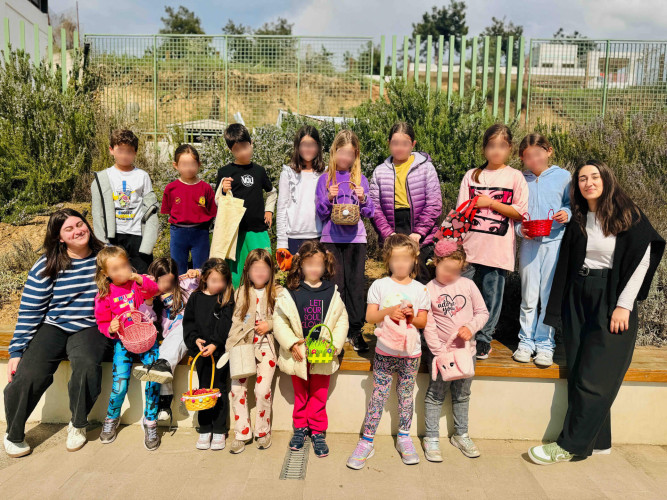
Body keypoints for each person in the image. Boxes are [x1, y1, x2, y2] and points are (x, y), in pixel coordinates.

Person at [528, 160, 665, 465]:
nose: (588, 183)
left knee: (597, 377)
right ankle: (597, 442)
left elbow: (642, 261)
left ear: (606, 179)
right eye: (582, 179)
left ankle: (569, 445)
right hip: (578, 295)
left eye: (594, 177)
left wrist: (623, 306)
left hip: (610, 297)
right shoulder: (579, 217)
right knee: (579, 371)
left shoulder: (627, 215)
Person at [4, 209, 107, 457]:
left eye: (80, 224)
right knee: (29, 373)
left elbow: (127, 282)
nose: (78, 231)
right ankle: (13, 434)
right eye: (69, 229)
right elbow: (31, 309)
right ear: (60, 237)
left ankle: (78, 424)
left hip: (91, 325)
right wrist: (17, 350)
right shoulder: (48, 263)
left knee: (86, 365)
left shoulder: (105, 256)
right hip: (55, 325)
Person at [346, 234, 430, 470]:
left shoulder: (420, 289)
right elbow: (370, 317)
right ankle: (367, 441)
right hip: (384, 352)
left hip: (411, 354)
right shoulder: (379, 285)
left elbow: (423, 322)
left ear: (414, 260)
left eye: (406, 259)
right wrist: (389, 311)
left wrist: (411, 317)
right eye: (395, 259)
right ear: (388, 261)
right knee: (378, 396)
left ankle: (404, 437)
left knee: (406, 395)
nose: (401, 264)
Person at [457, 124, 528, 359]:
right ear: (483, 148)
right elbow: (460, 212)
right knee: (463, 294)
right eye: (491, 145)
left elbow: (520, 212)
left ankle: (484, 339)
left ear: (510, 148)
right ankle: (462, 333)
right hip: (469, 248)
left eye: (502, 146)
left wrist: (491, 203)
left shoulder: (515, 176)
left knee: (491, 296)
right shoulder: (472, 175)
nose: (496, 151)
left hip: (497, 250)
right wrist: (456, 243)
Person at [273, 240, 348, 458]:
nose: (314, 268)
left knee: (319, 393)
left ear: (325, 265)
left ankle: (317, 431)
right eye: (309, 264)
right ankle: (300, 428)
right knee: (301, 393)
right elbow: (279, 321)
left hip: (323, 354)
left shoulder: (332, 292)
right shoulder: (291, 291)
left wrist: (334, 346)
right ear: (301, 265)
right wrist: (292, 343)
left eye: (318, 264)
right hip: (299, 353)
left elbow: (342, 320)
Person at [422, 240, 488, 462]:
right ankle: (431, 437)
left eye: (456, 271)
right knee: (435, 394)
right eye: (447, 269)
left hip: (467, 353)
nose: (451, 275)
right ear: (436, 262)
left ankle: (461, 435)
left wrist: (471, 327)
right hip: (441, 354)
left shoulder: (468, 285)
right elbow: (428, 324)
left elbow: (482, 312)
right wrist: (438, 351)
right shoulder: (428, 290)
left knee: (462, 394)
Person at [94, 246, 161, 451]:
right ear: (105, 273)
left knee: (154, 377)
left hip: (147, 338)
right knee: (120, 383)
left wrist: (139, 279)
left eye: (124, 265)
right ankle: (112, 417)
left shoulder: (137, 283)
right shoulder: (105, 294)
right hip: (122, 342)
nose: (122, 271)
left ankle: (150, 420)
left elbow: (154, 290)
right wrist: (110, 327)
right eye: (115, 269)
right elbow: (102, 322)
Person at [513, 134, 571, 367]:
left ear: (549, 151)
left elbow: (571, 204)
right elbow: (513, 214)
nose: (534, 160)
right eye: (528, 156)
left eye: (538, 154)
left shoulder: (564, 177)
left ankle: (545, 344)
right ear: (522, 158)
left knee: (548, 297)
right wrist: (520, 230)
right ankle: (525, 342)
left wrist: (567, 213)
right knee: (528, 296)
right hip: (529, 244)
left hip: (554, 243)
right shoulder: (519, 179)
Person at [316, 129, 375, 352]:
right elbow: (321, 213)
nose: (345, 158)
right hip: (331, 238)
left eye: (350, 154)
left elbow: (369, 212)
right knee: (335, 284)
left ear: (355, 155)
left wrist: (363, 197)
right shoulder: (325, 179)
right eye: (342, 152)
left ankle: (355, 330)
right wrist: (328, 197)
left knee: (356, 284)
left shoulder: (360, 180)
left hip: (356, 239)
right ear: (334, 151)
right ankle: (334, 328)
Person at [369, 121, 442, 284]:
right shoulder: (380, 171)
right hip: (393, 225)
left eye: (405, 143)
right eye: (395, 143)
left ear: (413, 144)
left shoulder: (426, 168)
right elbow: (374, 207)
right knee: (397, 274)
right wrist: (388, 234)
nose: (399, 148)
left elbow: (434, 203)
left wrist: (419, 232)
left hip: (420, 228)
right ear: (388, 143)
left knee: (421, 274)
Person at [225, 249, 281, 454]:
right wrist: (231, 347)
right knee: (237, 388)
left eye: (264, 269)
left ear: (271, 271)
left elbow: (285, 319)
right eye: (255, 268)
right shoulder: (241, 292)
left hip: (267, 346)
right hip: (243, 347)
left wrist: (270, 324)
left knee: (262, 389)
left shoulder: (277, 292)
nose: (260, 273)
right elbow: (236, 322)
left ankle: (263, 430)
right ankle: (242, 432)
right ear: (247, 271)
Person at [132, 258, 200, 425]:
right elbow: (145, 320)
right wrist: (149, 298)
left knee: (175, 340)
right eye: (161, 282)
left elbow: (212, 275)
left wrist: (197, 272)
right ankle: (164, 405)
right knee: (162, 357)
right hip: (170, 339)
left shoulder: (185, 285)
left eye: (169, 281)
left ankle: (164, 400)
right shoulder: (149, 296)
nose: (165, 286)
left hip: (190, 331)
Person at [215, 124, 277, 288]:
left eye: (245, 146)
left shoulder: (259, 171)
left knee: (263, 266)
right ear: (230, 150)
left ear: (251, 143)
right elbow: (218, 202)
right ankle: (237, 299)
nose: (243, 152)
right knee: (236, 272)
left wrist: (269, 211)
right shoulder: (225, 172)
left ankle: (264, 299)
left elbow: (272, 192)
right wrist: (223, 190)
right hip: (235, 232)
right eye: (237, 149)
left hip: (258, 229)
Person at [183, 258, 235, 451]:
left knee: (219, 388)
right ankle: (205, 428)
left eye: (222, 281)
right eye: (214, 280)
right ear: (204, 278)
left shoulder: (226, 298)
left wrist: (215, 343)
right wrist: (195, 340)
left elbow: (225, 324)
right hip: (201, 352)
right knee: (203, 389)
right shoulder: (195, 298)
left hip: (219, 353)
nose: (218, 285)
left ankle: (219, 429)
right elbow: (189, 324)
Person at [91, 129, 159, 274]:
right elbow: (97, 213)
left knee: (142, 276)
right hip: (114, 236)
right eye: (120, 150)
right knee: (116, 276)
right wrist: (102, 242)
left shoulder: (142, 176)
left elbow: (151, 208)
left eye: (129, 151)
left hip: (137, 235)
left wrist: (148, 242)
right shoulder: (103, 178)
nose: (124, 155)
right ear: (111, 150)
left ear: (135, 152)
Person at [161, 144, 217, 273]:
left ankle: (199, 287)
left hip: (200, 232)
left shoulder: (206, 188)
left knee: (201, 269)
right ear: (176, 165)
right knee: (178, 268)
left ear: (199, 164)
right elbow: (168, 211)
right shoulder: (171, 188)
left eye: (192, 164)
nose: (189, 168)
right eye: (184, 164)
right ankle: (179, 287)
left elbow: (212, 211)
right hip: (178, 232)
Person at [276, 125, 325, 255]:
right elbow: (282, 208)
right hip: (294, 237)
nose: (308, 149)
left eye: (312, 145)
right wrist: (281, 242)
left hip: (318, 235)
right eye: (304, 144)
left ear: (318, 147)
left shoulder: (324, 173)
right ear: (297, 146)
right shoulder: (288, 173)